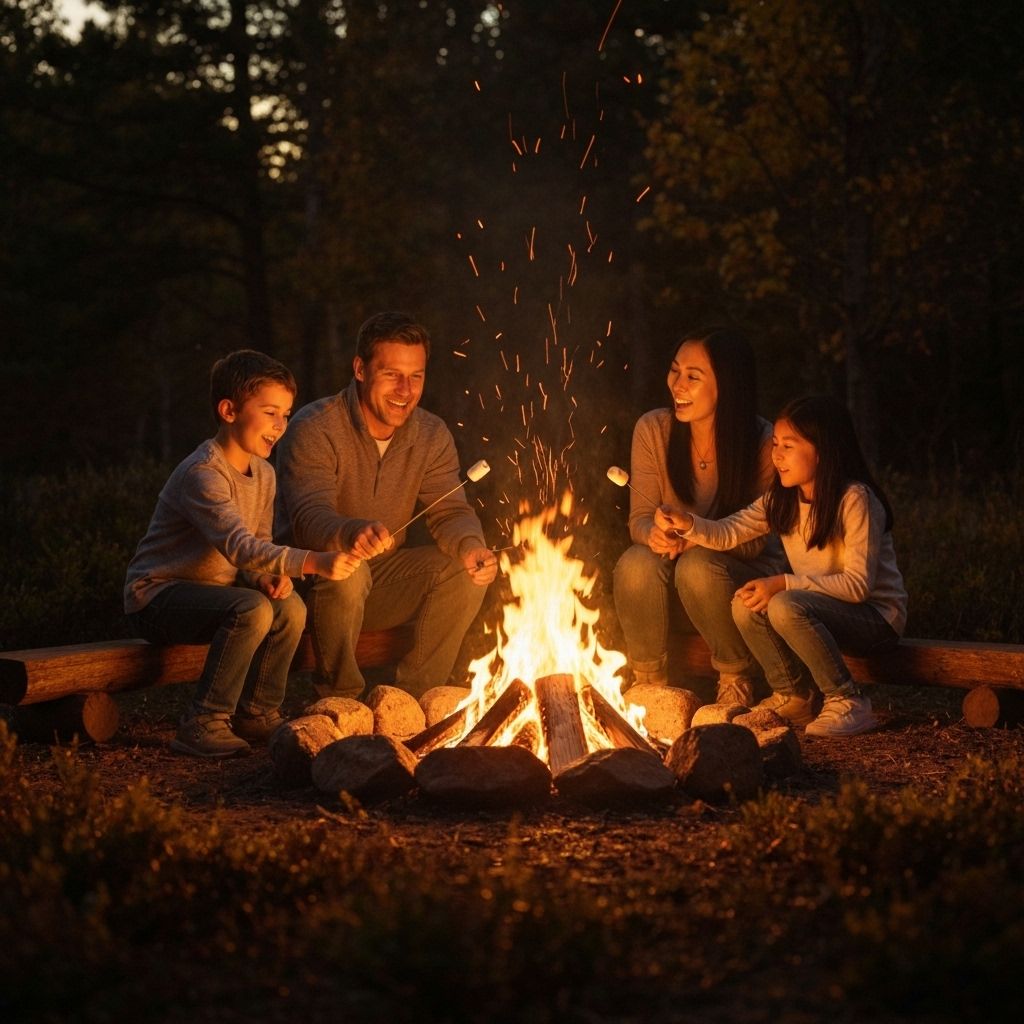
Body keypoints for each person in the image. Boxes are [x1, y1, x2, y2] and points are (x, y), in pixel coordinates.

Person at [124, 350, 358, 758]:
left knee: (290, 609)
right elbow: (240, 545)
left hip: (217, 596)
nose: (280, 426)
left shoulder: (264, 473)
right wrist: (313, 561)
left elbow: (257, 545)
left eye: (286, 415)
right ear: (229, 410)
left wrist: (262, 577)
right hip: (159, 597)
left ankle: (257, 712)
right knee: (252, 609)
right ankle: (203, 722)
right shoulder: (203, 474)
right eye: (270, 412)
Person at [274, 310, 497, 700]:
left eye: (416, 376)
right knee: (348, 570)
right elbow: (309, 517)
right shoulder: (315, 427)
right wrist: (350, 533)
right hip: (304, 587)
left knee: (461, 569)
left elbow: (451, 512)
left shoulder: (430, 434)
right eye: (392, 374)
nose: (405, 389)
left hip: (383, 584)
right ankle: (340, 701)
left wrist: (470, 545)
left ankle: (413, 701)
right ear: (360, 369)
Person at [659, 395, 908, 737]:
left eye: (788, 445)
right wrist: (687, 523)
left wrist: (784, 583)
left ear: (822, 449)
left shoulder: (855, 500)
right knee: (746, 602)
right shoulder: (783, 499)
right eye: (775, 443)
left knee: (783, 603)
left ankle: (848, 701)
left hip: (875, 619)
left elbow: (857, 586)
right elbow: (729, 531)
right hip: (820, 610)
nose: (777, 455)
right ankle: (794, 696)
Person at [612, 326, 781, 704]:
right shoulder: (653, 429)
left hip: (739, 581)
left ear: (727, 384)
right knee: (635, 562)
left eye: (693, 376)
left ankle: (736, 676)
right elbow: (639, 517)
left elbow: (754, 543)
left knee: (699, 566)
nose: (678, 385)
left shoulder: (763, 442)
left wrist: (693, 536)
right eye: (674, 371)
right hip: (672, 577)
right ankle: (650, 683)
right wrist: (651, 534)